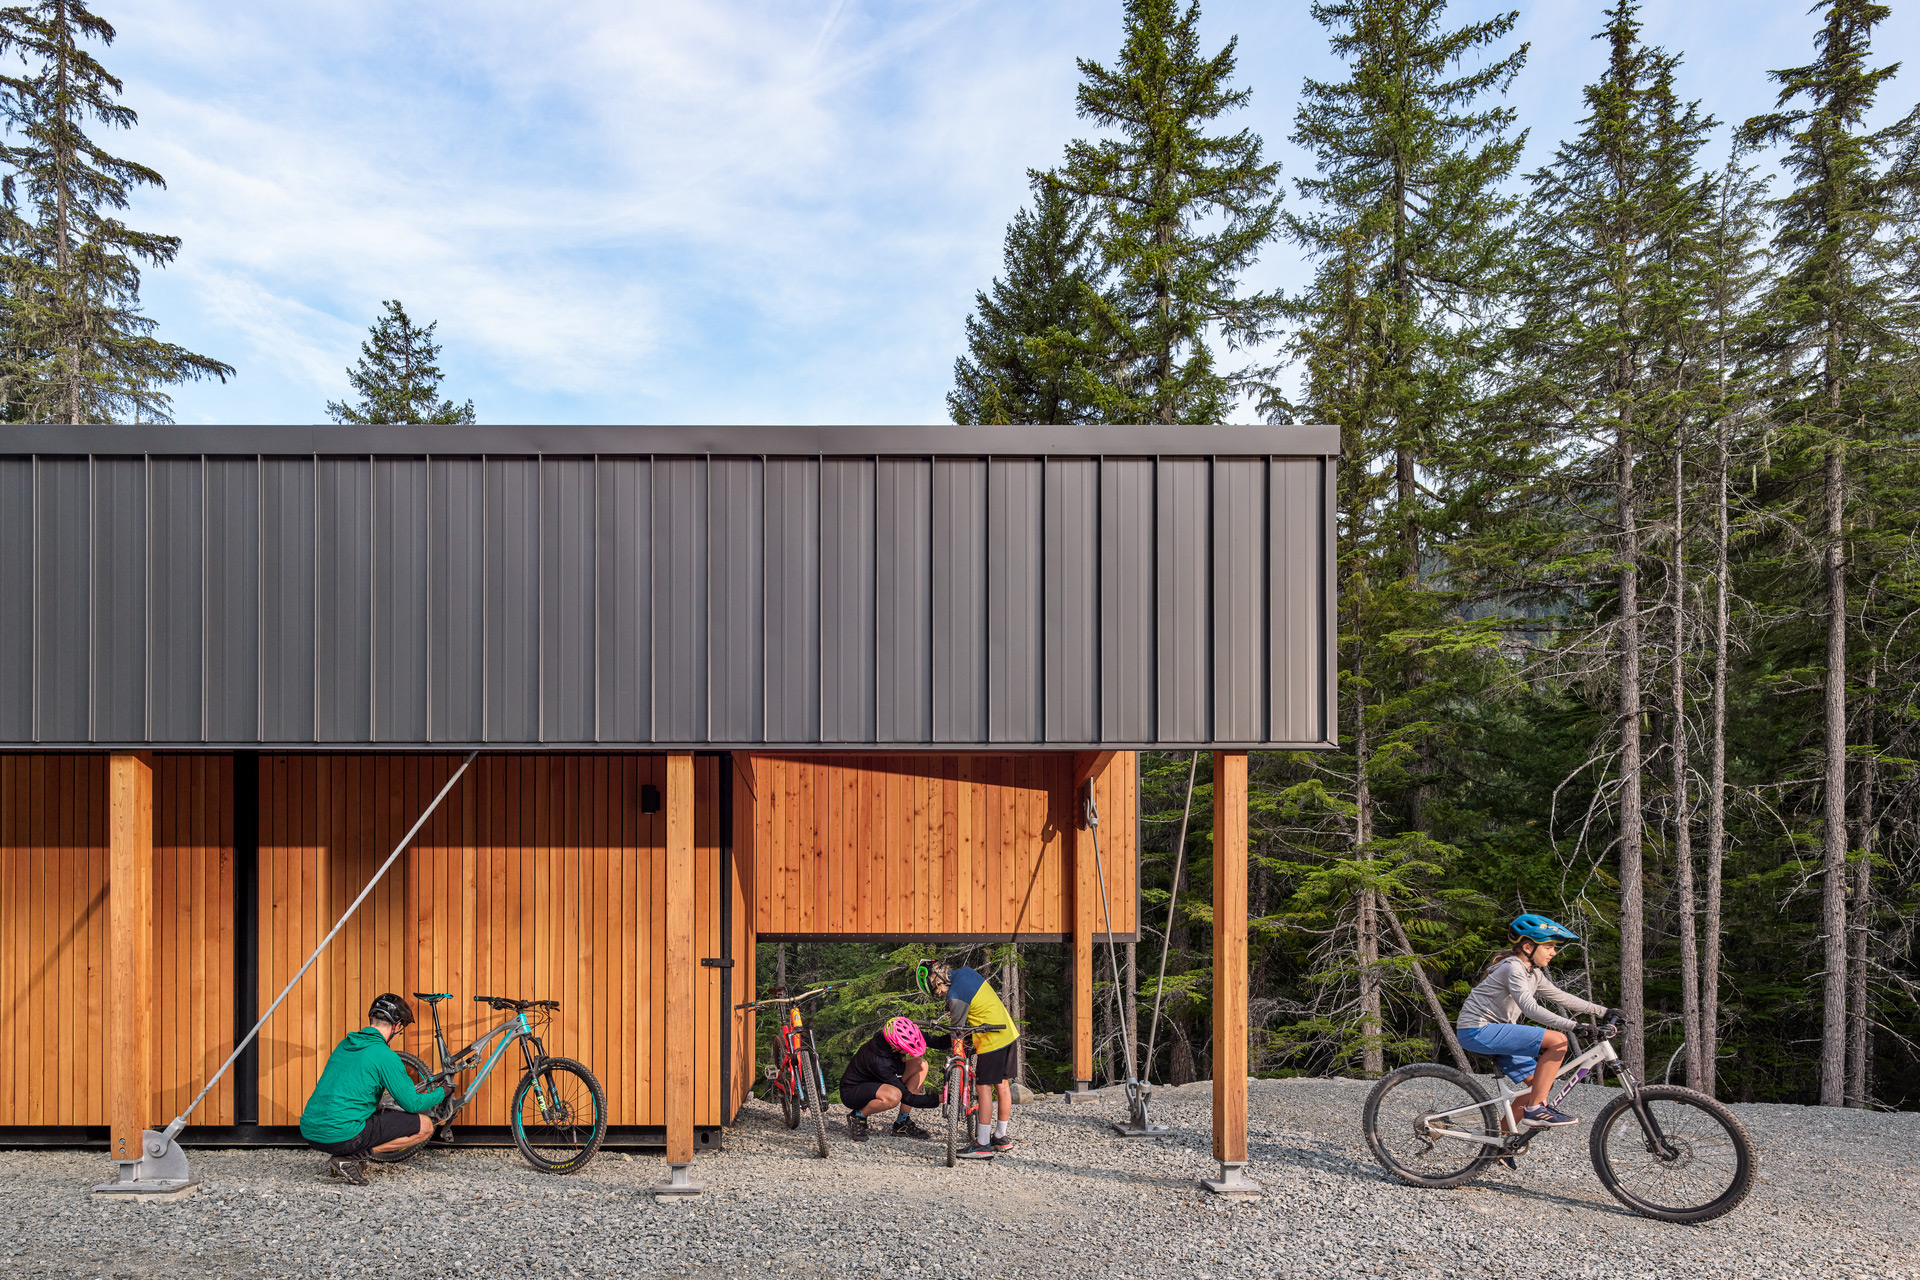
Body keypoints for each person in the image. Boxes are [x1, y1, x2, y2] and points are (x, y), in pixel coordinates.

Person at [1455, 914, 1625, 1131]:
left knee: (1539, 1084)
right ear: (1528, 947)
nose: (1554, 952)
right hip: (1477, 1030)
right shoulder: (1513, 968)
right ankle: (1536, 1110)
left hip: (1496, 1031)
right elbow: (1530, 1008)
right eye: (1549, 946)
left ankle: (1500, 1139)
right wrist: (1573, 1026)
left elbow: (1561, 997)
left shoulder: (1532, 973)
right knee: (1558, 1040)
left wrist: (1604, 1011)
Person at [300, 993, 448, 1185]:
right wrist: (442, 1092)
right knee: (425, 1126)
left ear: (372, 1018)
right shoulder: (385, 1055)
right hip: (341, 1134)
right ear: (397, 1026)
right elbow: (412, 1104)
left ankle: (344, 1153)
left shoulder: (345, 1044)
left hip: (311, 1131)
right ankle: (351, 1158)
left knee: (371, 1108)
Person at [916, 959, 1020, 1158]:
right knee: (1002, 1085)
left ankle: (982, 1144)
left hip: (992, 1040)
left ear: (937, 979)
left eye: (936, 990)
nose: (940, 994)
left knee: (983, 1088)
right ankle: (1001, 1137)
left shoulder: (955, 995)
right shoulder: (967, 972)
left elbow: (957, 1031)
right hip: (1008, 1033)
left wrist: (933, 1041)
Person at [840, 1016, 949, 1141]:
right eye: (906, 1049)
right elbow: (908, 1098)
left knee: (920, 1065)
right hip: (853, 1091)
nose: (908, 1052)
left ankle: (902, 1123)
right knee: (894, 1096)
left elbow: (939, 1042)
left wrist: (961, 1036)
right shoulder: (879, 1061)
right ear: (894, 1045)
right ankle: (858, 1116)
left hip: (879, 1081)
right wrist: (943, 1098)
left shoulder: (906, 1035)